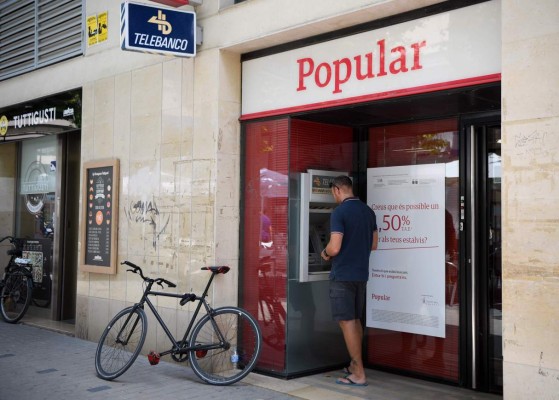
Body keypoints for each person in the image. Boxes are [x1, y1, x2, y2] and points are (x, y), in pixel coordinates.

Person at [320, 175, 378, 387]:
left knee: (347, 322)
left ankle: (359, 373)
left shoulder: (340, 212)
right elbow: (374, 245)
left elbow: (334, 247)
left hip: (343, 275)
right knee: (354, 320)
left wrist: (324, 253)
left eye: (332, 193)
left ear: (336, 190)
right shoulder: (368, 211)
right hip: (361, 275)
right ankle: (355, 366)